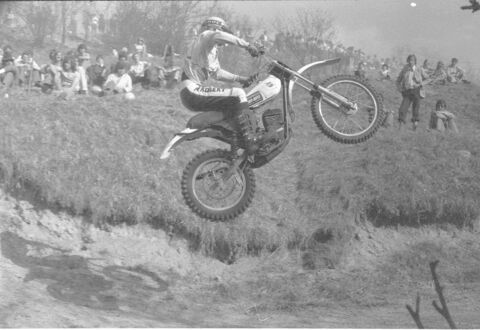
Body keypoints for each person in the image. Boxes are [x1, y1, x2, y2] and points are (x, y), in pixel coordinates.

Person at [180, 16, 265, 154]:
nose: (223, 43)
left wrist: (241, 79)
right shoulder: (206, 35)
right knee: (238, 94)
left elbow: (217, 73)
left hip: (190, 92)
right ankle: (250, 138)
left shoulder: (207, 49)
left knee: (232, 104)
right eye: (223, 30)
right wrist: (247, 45)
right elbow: (219, 35)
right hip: (192, 90)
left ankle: (234, 138)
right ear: (216, 27)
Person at [395, 54, 429, 131]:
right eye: (409, 60)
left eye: (412, 60)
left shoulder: (419, 69)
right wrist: (400, 89)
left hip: (416, 90)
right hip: (407, 91)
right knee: (403, 108)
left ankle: (415, 124)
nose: (411, 62)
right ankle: (401, 125)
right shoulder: (405, 69)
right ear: (407, 61)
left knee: (416, 107)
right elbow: (398, 80)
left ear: (415, 61)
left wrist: (421, 84)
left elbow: (428, 78)